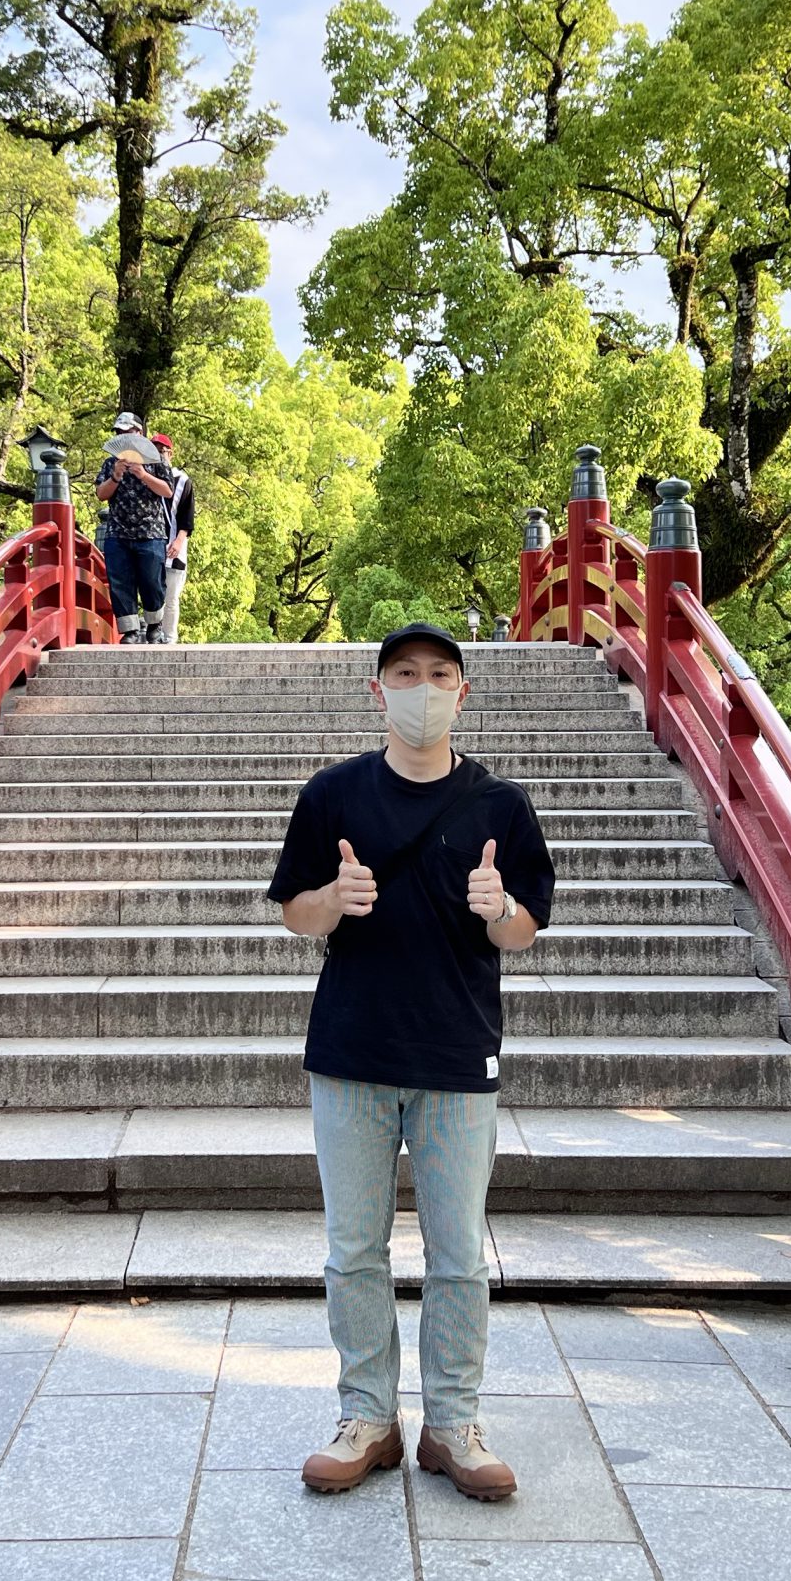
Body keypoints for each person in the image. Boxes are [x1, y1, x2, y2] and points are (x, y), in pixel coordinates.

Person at [268, 622, 555, 1503]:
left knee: (459, 1253)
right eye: (404, 673)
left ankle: (453, 1424)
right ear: (377, 690)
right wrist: (334, 898)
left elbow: (525, 928)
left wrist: (498, 904)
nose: (422, 688)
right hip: (351, 1053)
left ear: (463, 694)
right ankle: (367, 1418)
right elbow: (295, 916)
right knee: (354, 1250)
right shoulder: (333, 795)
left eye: (439, 674)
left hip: (456, 1054)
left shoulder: (501, 806)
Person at [92, 410, 175, 643]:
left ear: (139, 433)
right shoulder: (111, 463)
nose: (123, 436)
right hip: (118, 531)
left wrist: (142, 474)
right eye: (119, 433)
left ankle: (154, 625)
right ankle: (129, 630)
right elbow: (101, 493)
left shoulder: (156, 460)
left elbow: (167, 491)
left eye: (127, 432)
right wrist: (116, 476)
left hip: (150, 532)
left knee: (152, 581)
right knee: (120, 581)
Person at [150, 429, 194, 645]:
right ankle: (152, 634)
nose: (159, 456)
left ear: (171, 453)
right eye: (154, 451)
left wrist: (179, 540)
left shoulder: (183, 481)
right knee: (151, 592)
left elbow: (187, 517)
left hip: (174, 544)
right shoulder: (143, 478)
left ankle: (169, 638)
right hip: (149, 543)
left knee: (171, 596)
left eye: (162, 451)